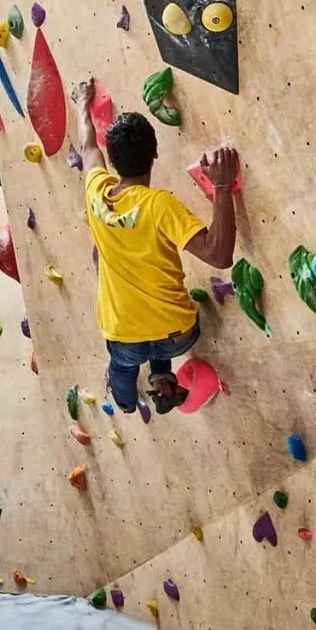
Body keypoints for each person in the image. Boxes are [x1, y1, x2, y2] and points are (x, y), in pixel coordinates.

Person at [72, 79, 239, 415]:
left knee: (122, 366)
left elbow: (89, 149)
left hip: (123, 333)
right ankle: (162, 376)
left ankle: (126, 402)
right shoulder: (159, 205)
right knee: (160, 331)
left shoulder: (96, 193)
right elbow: (219, 255)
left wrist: (81, 104)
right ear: (155, 155)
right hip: (178, 334)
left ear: (112, 161)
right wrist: (221, 185)